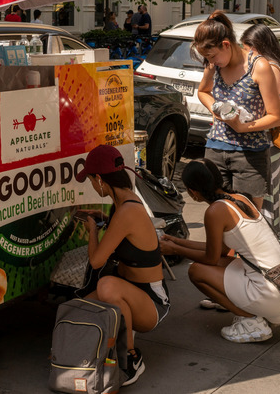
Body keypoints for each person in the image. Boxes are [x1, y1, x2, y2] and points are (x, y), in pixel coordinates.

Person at [161, 159, 280, 343]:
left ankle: (251, 321)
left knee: (196, 271)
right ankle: (260, 313)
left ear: (192, 191)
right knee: (224, 262)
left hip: (269, 293)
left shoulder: (216, 211)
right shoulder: (240, 199)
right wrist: (177, 242)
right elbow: (220, 251)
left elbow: (210, 258)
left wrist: (174, 249)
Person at [75, 145, 169, 387]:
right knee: (76, 310)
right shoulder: (123, 198)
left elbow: (96, 261)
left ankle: (131, 358)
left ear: (99, 179)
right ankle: (114, 338)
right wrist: (105, 219)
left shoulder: (127, 209)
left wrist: (93, 231)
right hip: (132, 291)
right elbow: (126, 233)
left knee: (106, 285)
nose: (93, 187)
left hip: (151, 302)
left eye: (91, 181)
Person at [193, 11, 280, 210]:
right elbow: (203, 91)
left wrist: (244, 127)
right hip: (216, 149)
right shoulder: (213, 65)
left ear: (226, 44)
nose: (211, 61)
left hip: (250, 155)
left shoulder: (258, 66)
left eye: (212, 55)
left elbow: (276, 117)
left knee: (248, 218)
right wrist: (214, 108)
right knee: (218, 214)